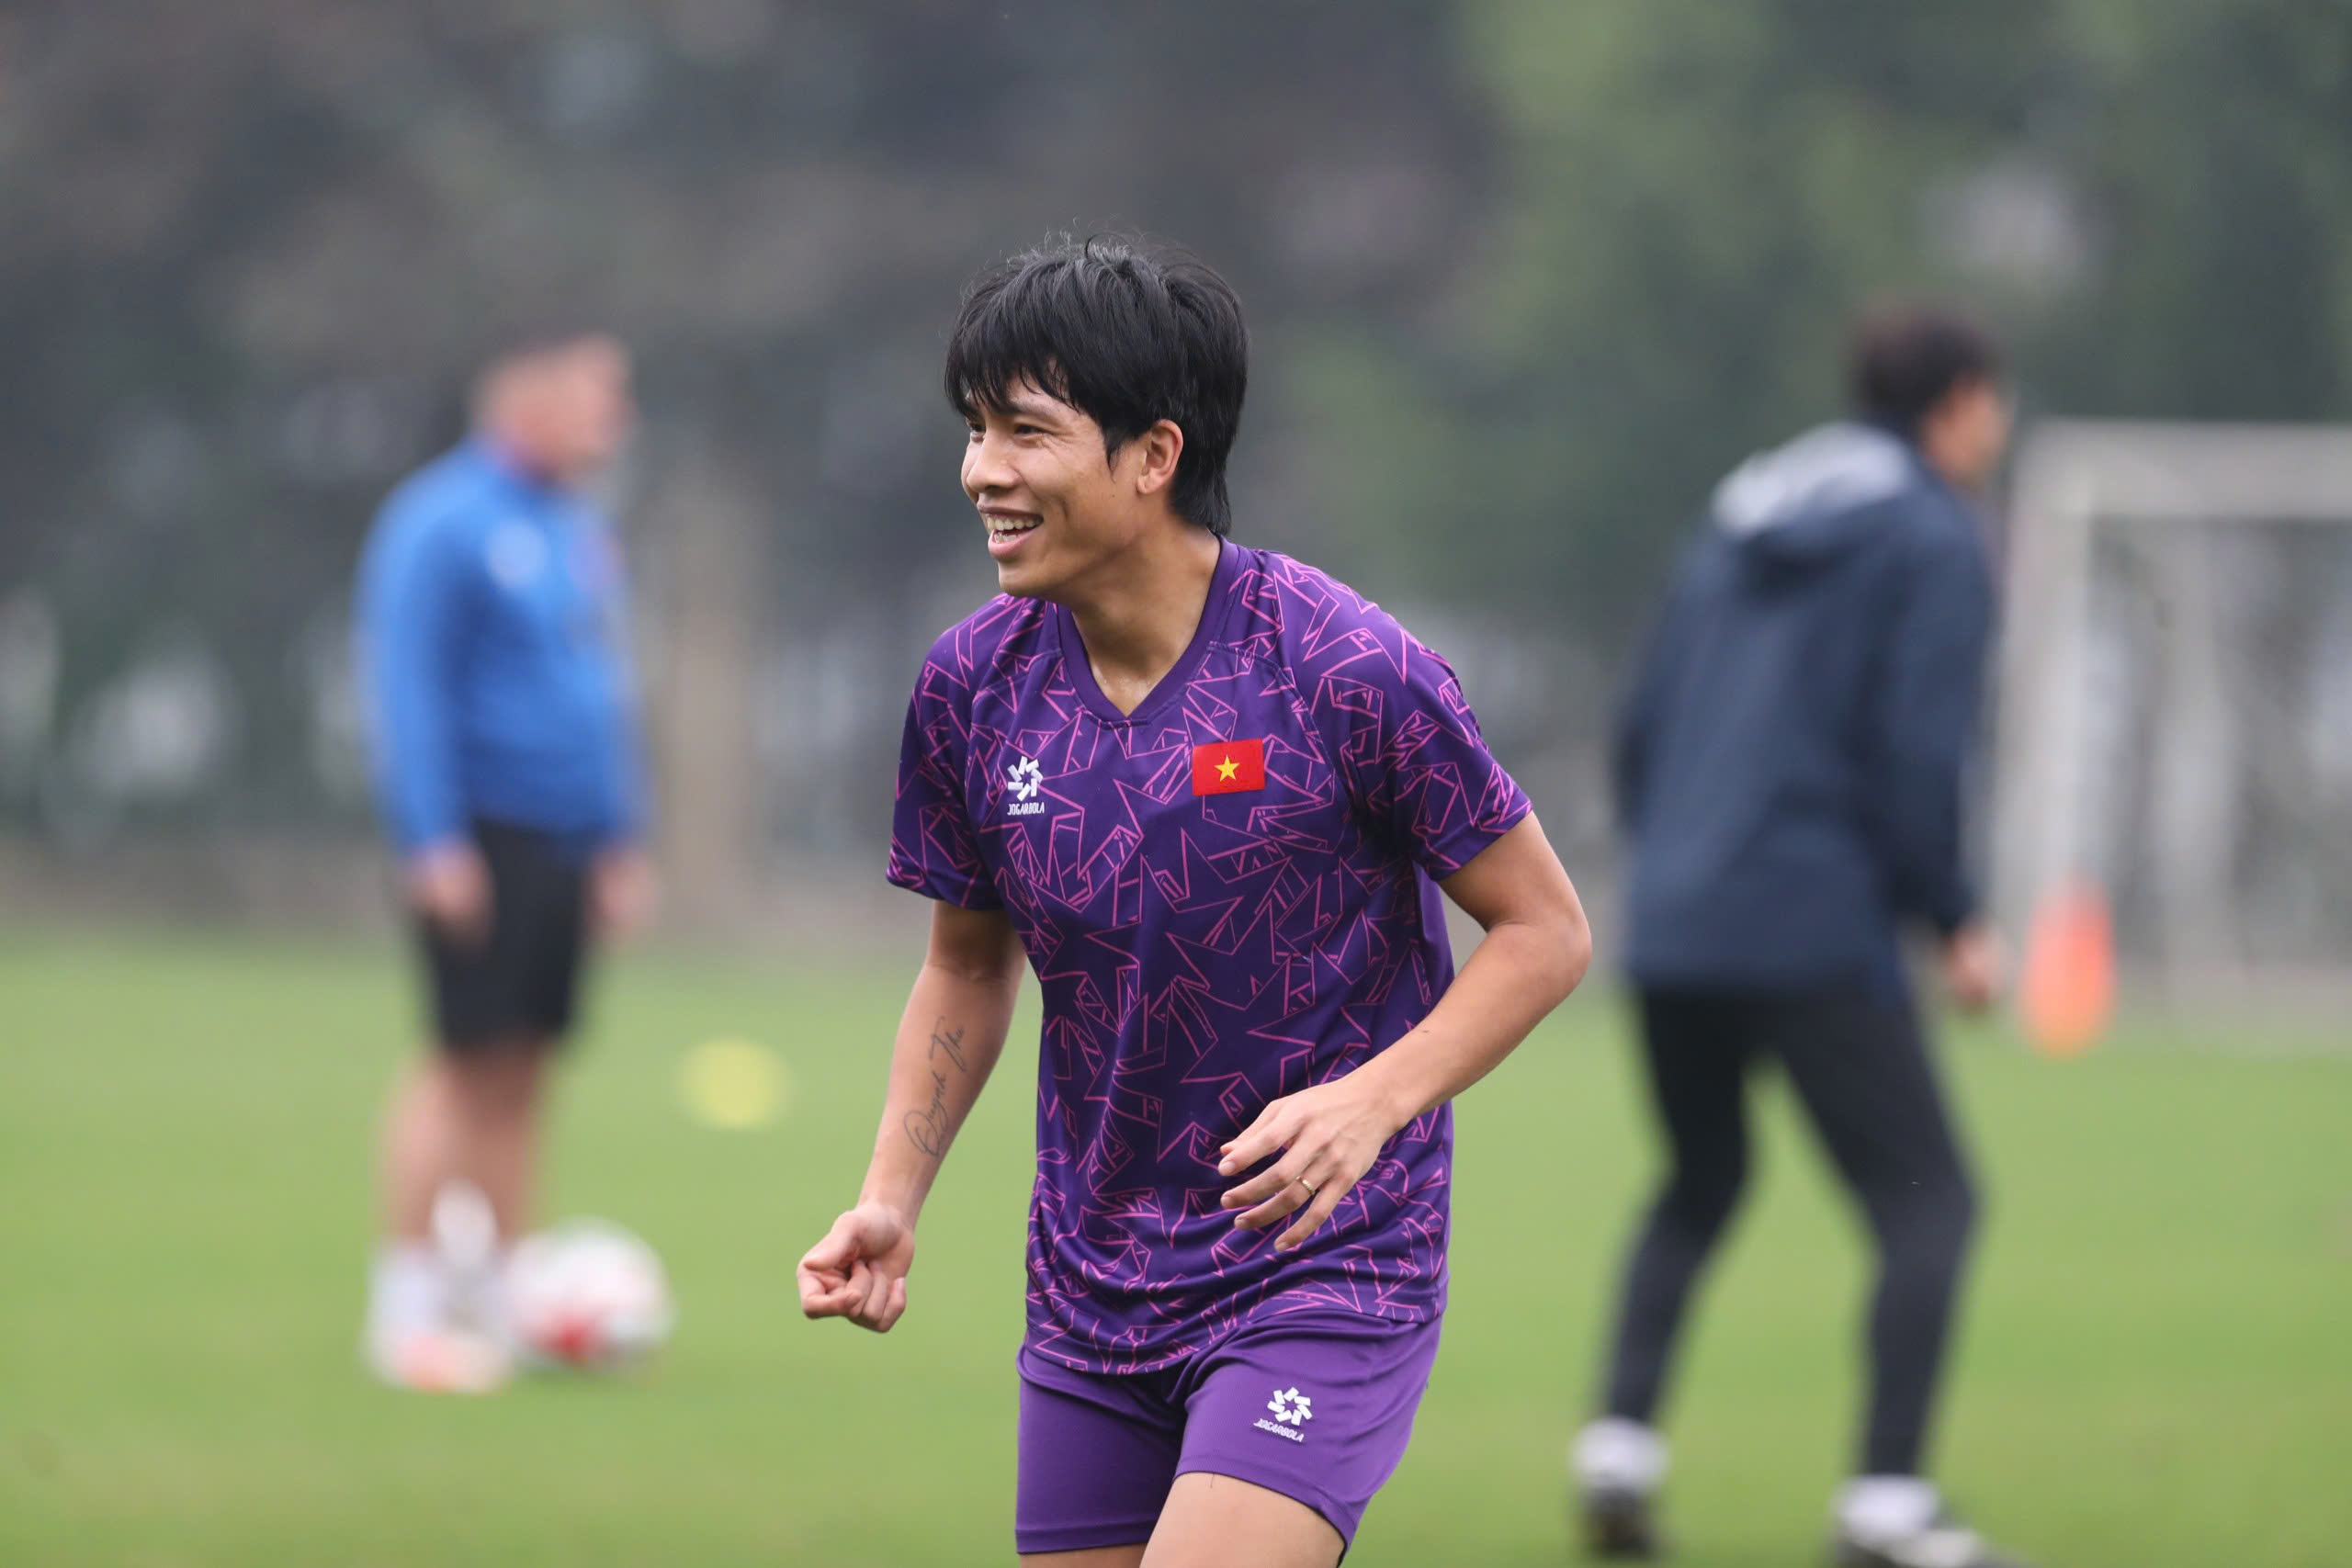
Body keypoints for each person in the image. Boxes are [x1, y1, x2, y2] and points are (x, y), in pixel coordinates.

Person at [796, 236, 1592, 1567]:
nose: (979, 470)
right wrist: (894, 1189)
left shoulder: (1343, 666)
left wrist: (1372, 1099)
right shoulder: (971, 688)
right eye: (975, 428)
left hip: (1320, 1268)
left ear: (1152, 455)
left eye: (1024, 431)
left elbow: (1547, 930)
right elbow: (968, 965)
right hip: (1093, 1285)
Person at [1573, 305, 2023, 1567]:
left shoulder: (1741, 510)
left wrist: (1674, 870)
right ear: (1963, 402)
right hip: (1812, 919)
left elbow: (1643, 720)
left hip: (1676, 919)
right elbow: (1915, 748)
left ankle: (1618, 1446)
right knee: (1929, 1204)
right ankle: (1886, 1507)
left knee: (1700, 1177)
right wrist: (1957, 911)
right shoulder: (1934, 533)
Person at [355, 333, 655, 1393]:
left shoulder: (575, 527)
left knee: (523, 1070)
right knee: (457, 1062)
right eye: (596, 395)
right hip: (481, 835)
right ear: (527, 391)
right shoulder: (440, 520)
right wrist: (430, 838)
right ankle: (407, 1317)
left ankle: (509, 1300)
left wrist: (620, 836)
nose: (613, 418)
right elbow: (407, 688)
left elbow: (597, 690)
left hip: (567, 841)